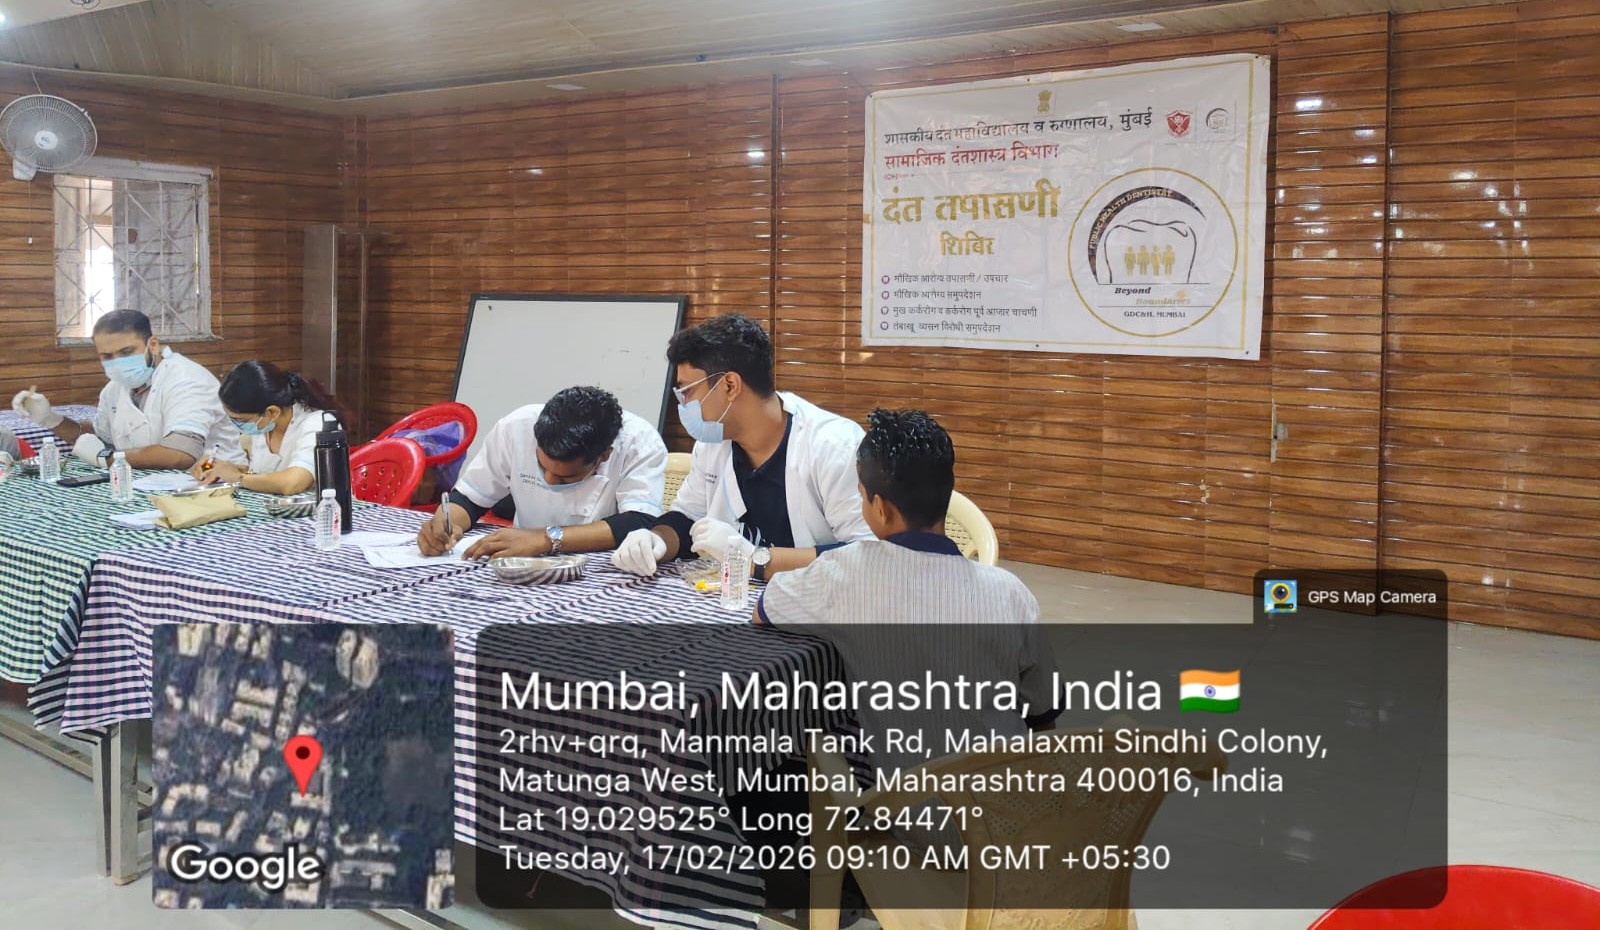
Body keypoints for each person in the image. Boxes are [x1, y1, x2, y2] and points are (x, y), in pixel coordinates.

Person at [611, 313, 873, 580]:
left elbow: (866, 554)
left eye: (687, 391)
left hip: (814, 598)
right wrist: (656, 540)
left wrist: (755, 560)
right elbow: (687, 517)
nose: (683, 405)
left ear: (730, 385)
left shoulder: (833, 445)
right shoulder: (713, 444)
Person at [417, 385, 667, 561]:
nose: (548, 480)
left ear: (604, 455)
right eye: (541, 466)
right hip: (519, 556)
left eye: (565, 477)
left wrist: (545, 539)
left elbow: (638, 522)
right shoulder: (516, 428)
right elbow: (469, 498)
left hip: (599, 565)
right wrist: (446, 525)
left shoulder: (639, 443)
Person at [10, 309, 241, 469]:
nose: (118, 362)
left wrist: (108, 459)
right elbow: (99, 438)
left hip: (214, 483)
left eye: (127, 352)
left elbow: (180, 454)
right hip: (150, 485)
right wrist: (51, 420)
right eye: (107, 356)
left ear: (153, 345)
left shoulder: (186, 380)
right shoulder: (114, 389)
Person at [187, 360, 345, 495]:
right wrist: (225, 469)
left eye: (241, 420)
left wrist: (238, 477)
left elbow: (293, 483)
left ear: (272, 411)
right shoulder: (264, 425)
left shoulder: (318, 424)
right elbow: (264, 475)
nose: (237, 425)